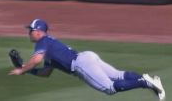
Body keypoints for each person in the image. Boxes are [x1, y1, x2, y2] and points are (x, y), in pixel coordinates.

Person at [9, 19, 166, 101]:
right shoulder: (49, 44)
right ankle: (150, 82)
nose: (29, 32)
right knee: (118, 75)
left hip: (81, 64)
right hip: (87, 57)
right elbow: (45, 72)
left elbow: (36, 60)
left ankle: (144, 82)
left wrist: (22, 69)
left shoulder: (43, 42)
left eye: (31, 30)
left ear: (39, 32)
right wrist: (26, 71)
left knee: (110, 88)